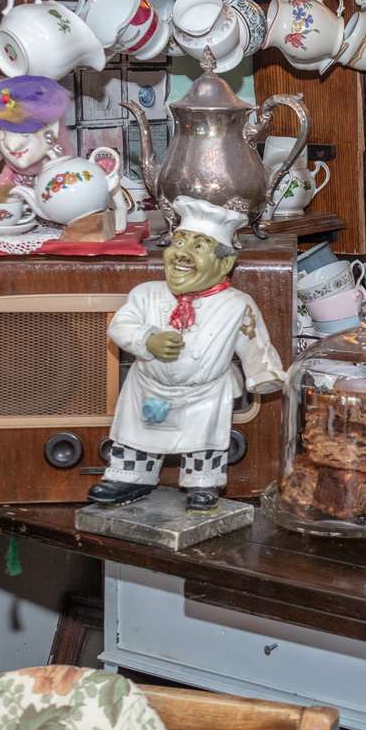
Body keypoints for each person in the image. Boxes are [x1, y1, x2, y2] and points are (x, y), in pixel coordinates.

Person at [89, 195, 286, 511]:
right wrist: (147, 340)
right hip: (148, 388)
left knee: (204, 445)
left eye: (198, 246)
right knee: (135, 439)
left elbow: (255, 341)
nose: (182, 252)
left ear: (224, 264)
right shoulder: (145, 294)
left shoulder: (237, 305)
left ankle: (202, 485)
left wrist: (264, 374)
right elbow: (120, 327)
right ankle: (129, 478)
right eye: (179, 241)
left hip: (204, 395)